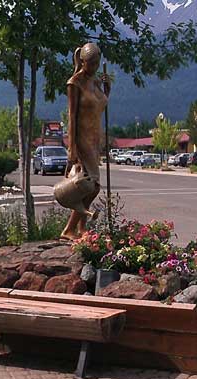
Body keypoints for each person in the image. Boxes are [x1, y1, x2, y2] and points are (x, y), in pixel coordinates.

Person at [61, 43, 111, 241]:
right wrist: (71, 148)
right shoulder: (75, 82)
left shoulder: (95, 82)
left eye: (97, 63)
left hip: (94, 138)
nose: (95, 67)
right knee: (92, 186)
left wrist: (108, 90)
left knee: (91, 186)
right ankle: (70, 229)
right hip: (81, 139)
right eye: (91, 63)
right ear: (82, 61)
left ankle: (80, 229)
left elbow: (99, 107)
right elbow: (71, 117)